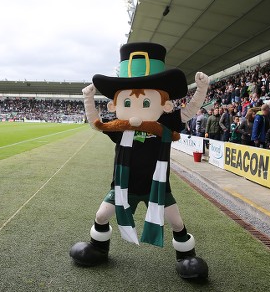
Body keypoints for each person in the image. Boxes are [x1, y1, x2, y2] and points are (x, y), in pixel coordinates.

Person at [70, 42, 209, 280]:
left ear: (163, 104)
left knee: (176, 222)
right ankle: (98, 247)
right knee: (102, 216)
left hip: (158, 188)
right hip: (123, 188)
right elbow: (96, 123)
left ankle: (186, 256)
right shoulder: (119, 129)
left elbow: (189, 111)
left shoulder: (165, 125)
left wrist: (202, 88)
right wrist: (88, 99)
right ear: (115, 105)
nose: (136, 108)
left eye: (146, 103)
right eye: (127, 103)